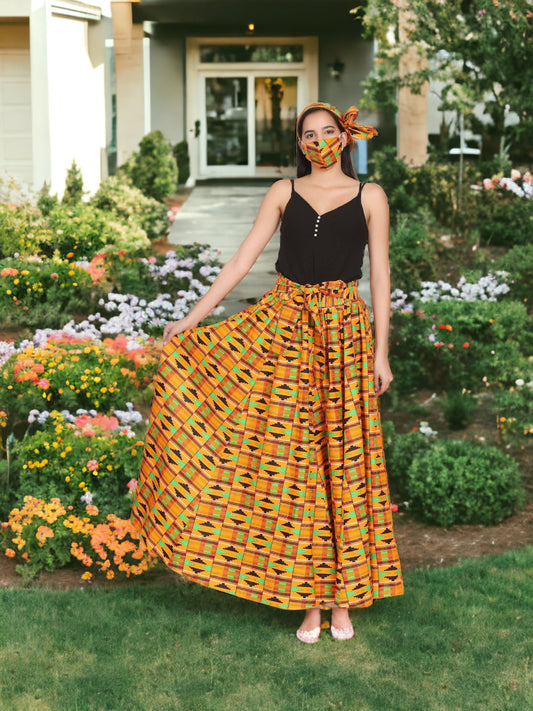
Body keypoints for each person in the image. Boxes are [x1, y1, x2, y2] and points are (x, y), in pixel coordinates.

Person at [130, 101, 404, 644]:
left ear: (345, 138)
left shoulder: (371, 197)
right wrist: (189, 319)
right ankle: (308, 603)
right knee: (293, 467)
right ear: (300, 144)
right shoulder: (284, 192)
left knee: (343, 464)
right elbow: (240, 262)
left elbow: (379, 279)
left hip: (344, 339)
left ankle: (343, 599)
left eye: (329, 131)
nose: (320, 140)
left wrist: (381, 354)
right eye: (309, 134)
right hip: (283, 332)